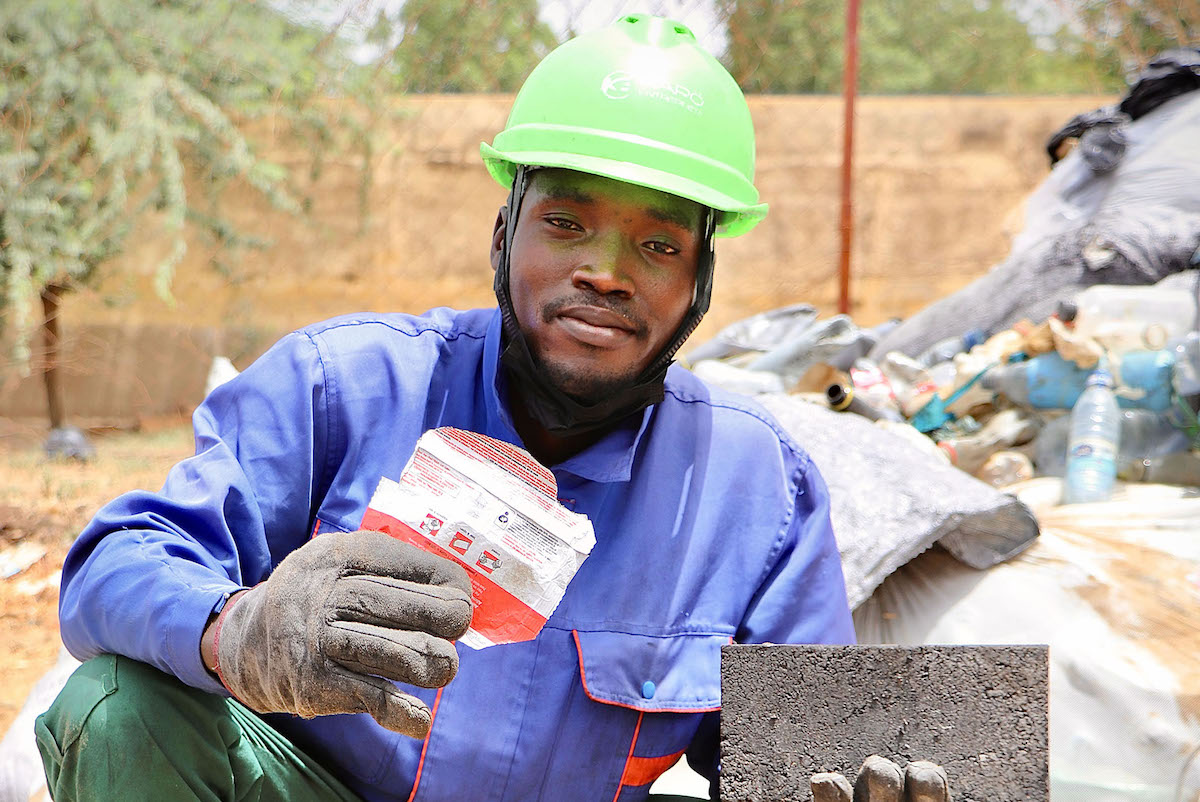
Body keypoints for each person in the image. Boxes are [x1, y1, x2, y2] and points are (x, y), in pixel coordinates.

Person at [34, 15, 946, 802]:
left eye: (659, 242)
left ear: (699, 287)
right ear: (505, 233)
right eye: (566, 222)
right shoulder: (343, 386)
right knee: (117, 708)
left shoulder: (754, 492)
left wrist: (868, 767)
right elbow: (112, 570)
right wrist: (239, 632)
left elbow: (813, 757)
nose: (605, 269)